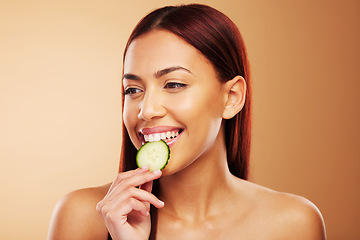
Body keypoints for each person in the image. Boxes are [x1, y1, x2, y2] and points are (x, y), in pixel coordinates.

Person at [48, 4, 326, 240]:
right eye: (133, 90)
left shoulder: (293, 224)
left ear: (231, 97)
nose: (147, 110)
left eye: (174, 84)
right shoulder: (82, 217)